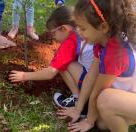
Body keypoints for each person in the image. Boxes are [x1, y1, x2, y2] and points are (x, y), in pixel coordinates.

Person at [57, 0, 136, 132]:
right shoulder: (102, 43)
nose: (78, 32)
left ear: (103, 27)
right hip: (127, 96)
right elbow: (90, 77)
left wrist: (88, 121)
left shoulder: (115, 53)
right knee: (101, 123)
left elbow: (97, 92)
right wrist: (78, 108)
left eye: (83, 28)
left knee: (105, 100)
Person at [9, 6, 94, 108]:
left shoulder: (69, 43)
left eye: (54, 33)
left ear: (63, 28)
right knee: (63, 62)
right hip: (98, 81)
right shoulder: (81, 31)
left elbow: (50, 73)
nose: (53, 36)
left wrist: (24, 76)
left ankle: (78, 99)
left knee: (62, 65)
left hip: (91, 85)